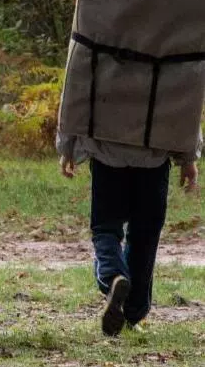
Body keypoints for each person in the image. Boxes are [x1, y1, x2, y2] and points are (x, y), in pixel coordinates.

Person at [58, 131, 201, 336]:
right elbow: (188, 107)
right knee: (145, 236)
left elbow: (74, 102)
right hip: (154, 157)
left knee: (105, 228)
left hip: (107, 154)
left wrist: (66, 147)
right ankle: (132, 313)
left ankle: (113, 275)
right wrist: (189, 158)